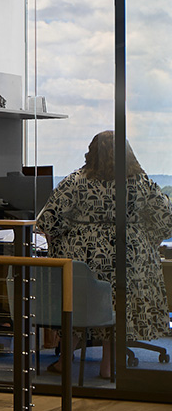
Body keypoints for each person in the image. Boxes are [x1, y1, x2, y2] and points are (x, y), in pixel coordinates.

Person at [35, 130, 172, 382]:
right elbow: (166, 218)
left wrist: (63, 243)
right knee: (116, 305)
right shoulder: (139, 182)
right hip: (129, 258)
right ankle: (109, 366)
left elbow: (47, 221)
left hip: (83, 259)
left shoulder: (75, 181)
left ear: (91, 152)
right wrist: (147, 239)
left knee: (77, 304)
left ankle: (65, 361)